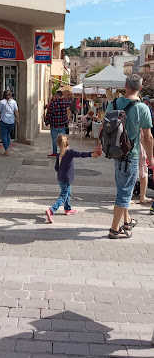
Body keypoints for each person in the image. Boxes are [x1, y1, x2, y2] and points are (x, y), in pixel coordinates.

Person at [97, 74, 154, 239]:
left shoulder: (113, 103)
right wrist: (150, 157)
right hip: (132, 154)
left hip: (115, 153)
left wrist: (99, 145)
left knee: (123, 189)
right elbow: (148, 137)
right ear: (140, 88)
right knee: (124, 193)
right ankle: (114, 229)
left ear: (125, 84)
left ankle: (127, 220)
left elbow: (103, 127)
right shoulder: (142, 108)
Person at [45, 134, 101, 223]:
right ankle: (51, 210)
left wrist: (61, 173)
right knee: (63, 195)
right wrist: (91, 154)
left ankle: (67, 209)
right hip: (66, 178)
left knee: (68, 193)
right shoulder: (70, 152)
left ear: (59, 145)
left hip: (60, 178)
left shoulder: (59, 155)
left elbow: (56, 167)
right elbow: (81, 154)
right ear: (68, 143)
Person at [0, 91, 19, 156]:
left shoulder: (1, 102)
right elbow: (16, 112)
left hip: (4, 121)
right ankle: (7, 148)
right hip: (11, 121)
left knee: (4, 135)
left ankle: (6, 150)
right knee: (8, 134)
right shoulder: (14, 102)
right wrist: (17, 120)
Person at [45, 90, 70, 157]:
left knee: (54, 139)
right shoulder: (66, 102)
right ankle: (63, 152)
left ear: (56, 95)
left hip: (54, 124)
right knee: (63, 139)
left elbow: (49, 113)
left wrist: (47, 121)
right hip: (63, 124)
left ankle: (55, 152)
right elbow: (68, 110)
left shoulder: (53, 103)